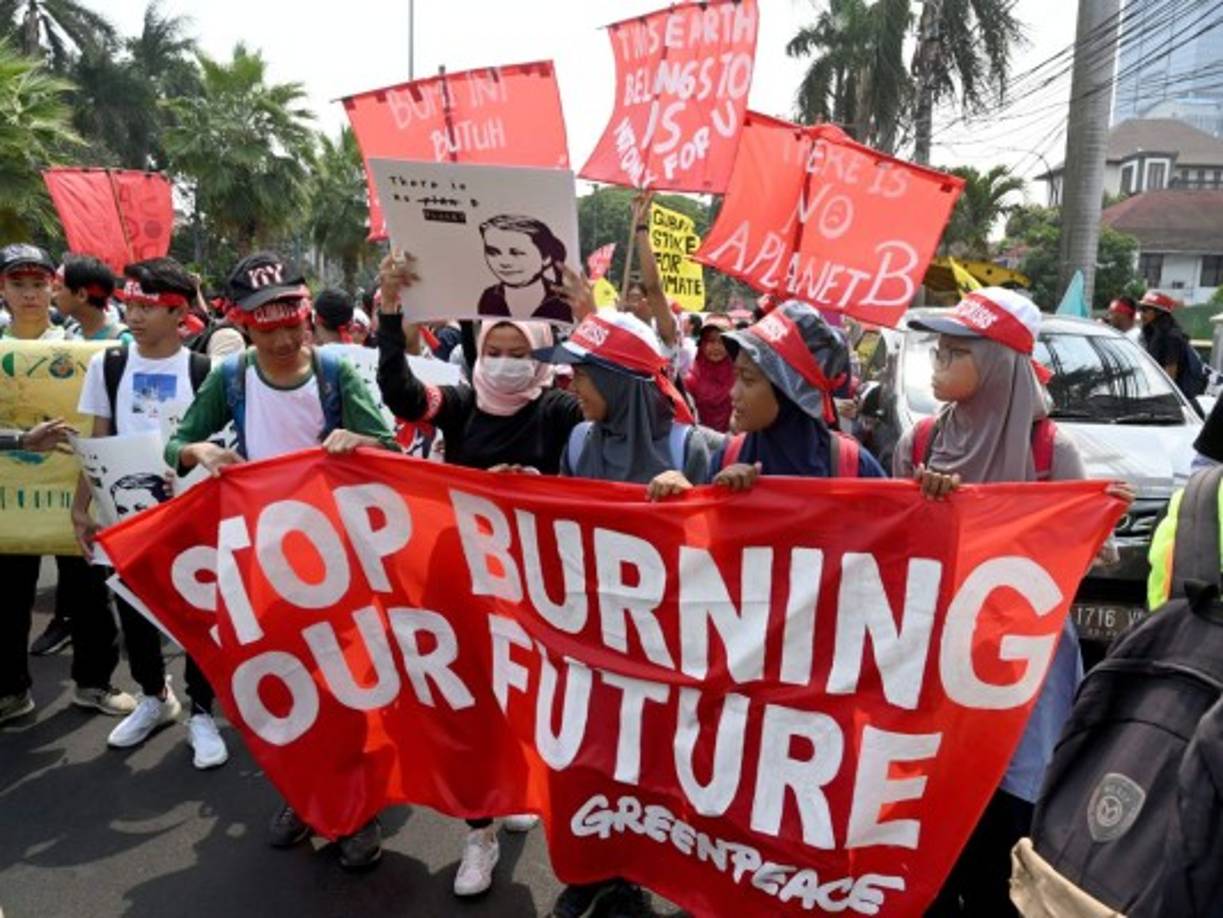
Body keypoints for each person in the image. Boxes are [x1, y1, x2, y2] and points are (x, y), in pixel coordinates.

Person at [893, 288, 1127, 916]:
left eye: (955, 353)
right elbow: (893, 547)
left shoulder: (1051, 452)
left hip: (1021, 672)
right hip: (934, 663)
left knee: (1005, 824)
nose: (939, 363)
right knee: (929, 814)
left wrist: (1095, 525)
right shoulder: (920, 443)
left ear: (997, 362)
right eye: (939, 351)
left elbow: (1076, 558)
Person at [165, 251, 397, 869]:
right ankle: (304, 794)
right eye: (268, 329)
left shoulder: (334, 372)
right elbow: (175, 443)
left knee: (345, 688)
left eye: (293, 323)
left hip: (339, 559)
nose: (285, 340)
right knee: (285, 687)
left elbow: (392, 448)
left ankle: (356, 809)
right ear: (244, 324)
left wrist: (359, 440)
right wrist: (199, 452)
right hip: (265, 561)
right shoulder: (231, 378)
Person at [377, 249, 583, 896]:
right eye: (493, 349)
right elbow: (401, 394)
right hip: (462, 576)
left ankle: (514, 787)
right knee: (469, 701)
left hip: (533, 580)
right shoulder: (461, 404)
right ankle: (480, 832)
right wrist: (391, 310)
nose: (504, 360)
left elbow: (614, 421)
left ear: (542, 355)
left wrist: (589, 319)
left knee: (523, 695)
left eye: (518, 350)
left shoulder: (559, 410)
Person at [533, 308, 709, 918]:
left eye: (583, 374)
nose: (572, 385)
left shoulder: (692, 449)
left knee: (655, 769)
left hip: (666, 651)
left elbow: (733, 550)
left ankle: (643, 873)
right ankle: (594, 868)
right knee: (592, 761)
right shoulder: (579, 441)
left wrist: (694, 503)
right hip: (593, 641)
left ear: (617, 381)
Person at [72, 257, 227, 768]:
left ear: (179, 312)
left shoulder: (204, 371)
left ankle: (201, 711)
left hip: (191, 515)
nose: (134, 316)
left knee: (197, 612)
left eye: (147, 306)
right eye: (130, 304)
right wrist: (81, 506)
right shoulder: (109, 366)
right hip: (127, 513)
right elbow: (97, 438)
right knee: (135, 611)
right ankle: (154, 696)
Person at [0, 242, 136, 725]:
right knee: (7, 599)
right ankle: (10, 691)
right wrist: (20, 439)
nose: (30, 294)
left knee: (88, 594)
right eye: (18, 283)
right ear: (3, 289)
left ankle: (94, 684)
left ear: (52, 287)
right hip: (9, 500)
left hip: (73, 494)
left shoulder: (87, 352)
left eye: (39, 283)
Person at [652, 302, 887, 501]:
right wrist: (695, 498)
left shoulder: (853, 467)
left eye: (748, 379)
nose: (733, 392)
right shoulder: (727, 457)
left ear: (789, 392)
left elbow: (896, 529)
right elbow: (700, 535)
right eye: (735, 376)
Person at [477, 214, 572, 321]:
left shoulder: (565, 301)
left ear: (546, 258)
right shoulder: (489, 297)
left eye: (516, 253)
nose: (504, 262)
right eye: (493, 252)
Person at [55, 254, 131, 343]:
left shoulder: (124, 341)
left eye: (59, 288)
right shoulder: (70, 335)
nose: (54, 296)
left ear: (81, 295)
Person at [682, 314, 735, 432]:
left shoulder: (740, 375)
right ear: (702, 343)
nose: (716, 347)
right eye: (710, 341)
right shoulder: (691, 379)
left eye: (722, 341)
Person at [1139, 291, 1197, 396]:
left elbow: (1170, 375)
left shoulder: (1171, 337)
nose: (1141, 314)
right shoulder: (1151, 333)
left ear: (1159, 312)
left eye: (1145, 310)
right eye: (1140, 309)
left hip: (1176, 395)